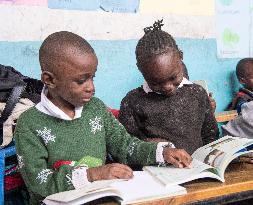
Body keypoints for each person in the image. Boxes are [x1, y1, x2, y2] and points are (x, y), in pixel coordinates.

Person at [14, 31, 192, 204]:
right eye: (81, 81)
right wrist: (92, 174)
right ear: (49, 80)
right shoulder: (29, 124)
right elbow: (38, 182)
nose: (91, 87)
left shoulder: (96, 108)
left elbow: (125, 146)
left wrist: (161, 153)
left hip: (101, 199)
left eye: (93, 77)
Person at [118, 20, 219, 155]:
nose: (167, 87)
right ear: (140, 69)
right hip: (156, 172)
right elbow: (126, 146)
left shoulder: (197, 93)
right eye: (156, 83)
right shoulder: (132, 101)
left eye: (173, 78)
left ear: (180, 56)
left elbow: (210, 135)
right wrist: (148, 144)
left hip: (196, 169)